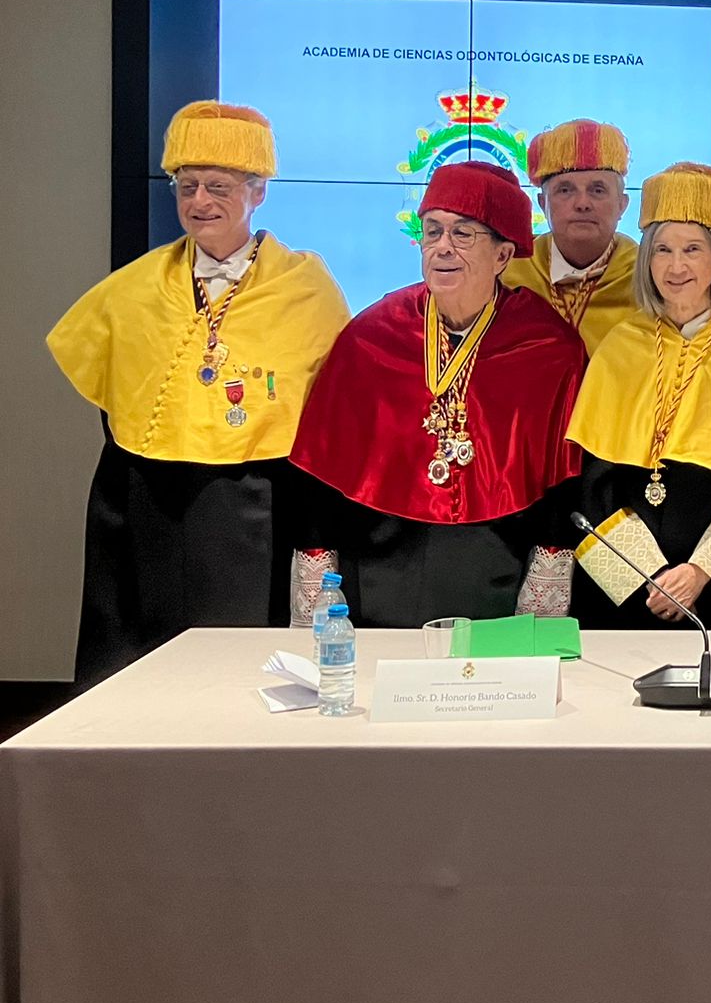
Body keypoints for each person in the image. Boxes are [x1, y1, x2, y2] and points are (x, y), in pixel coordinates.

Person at [46, 101, 350, 684]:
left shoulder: (305, 286)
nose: (200, 202)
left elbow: (330, 404)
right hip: (150, 496)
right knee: (145, 652)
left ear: (258, 192)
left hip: (262, 499)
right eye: (187, 187)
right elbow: (113, 396)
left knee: (243, 660)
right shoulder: (135, 286)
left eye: (218, 187)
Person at [289, 161, 587, 627]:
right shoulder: (371, 336)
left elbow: (560, 483)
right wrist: (317, 588)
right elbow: (321, 472)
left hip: (497, 576)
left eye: (463, 234)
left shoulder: (548, 347)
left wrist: (543, 595)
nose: (443, 247)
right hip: (379, 571)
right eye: (433, 232)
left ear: (503, 256)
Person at [565, 163, 711, 629]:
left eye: (692, 249)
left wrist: (700, 572)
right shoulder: (620, 344)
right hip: (628, 593)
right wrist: (646, 576)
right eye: (662, 250)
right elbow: (592, 485)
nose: (676, 267)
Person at [500, 119, 638, 354]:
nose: (582, 203)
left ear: (622, 204)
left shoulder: (648, 277)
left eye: (597, 190)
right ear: (542, 203)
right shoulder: (508, 271)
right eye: (565, 190)